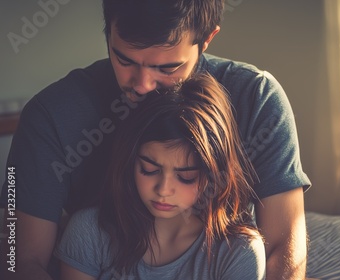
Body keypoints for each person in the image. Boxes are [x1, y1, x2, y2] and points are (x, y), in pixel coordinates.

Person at [0, 1, 311, 279]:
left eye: (167, 67)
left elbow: (284, 246)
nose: (144, 85)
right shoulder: (48, 116)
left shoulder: (257, 99)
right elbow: (17, 257)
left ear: (206, 39)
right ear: (108, 33)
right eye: (125, 60)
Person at [54, 73, 266, 280]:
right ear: (130, 162)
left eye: (186, 176)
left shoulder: (237, 251)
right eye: (149, 169)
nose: (163, 189)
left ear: (213, 173)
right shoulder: (90, 231)